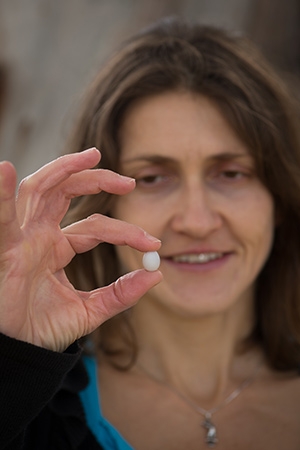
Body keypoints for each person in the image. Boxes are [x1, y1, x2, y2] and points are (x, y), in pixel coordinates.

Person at [1, 16, 300, 450]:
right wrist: (12, 368)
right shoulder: (29, 411)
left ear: (277, 197)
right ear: (105, 203)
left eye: (231, 173)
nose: (197, 221)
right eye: (155, 178)